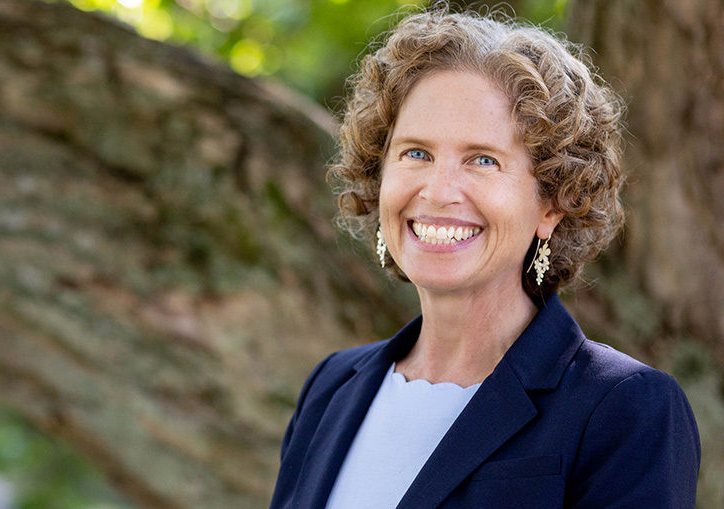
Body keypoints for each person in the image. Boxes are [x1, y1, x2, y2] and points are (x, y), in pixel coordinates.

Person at [270, 7, 700, 509]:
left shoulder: (624, 407)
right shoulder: (331, 389)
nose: (438, 190)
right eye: (416, 153)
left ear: (553, 203)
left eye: (483, 160)